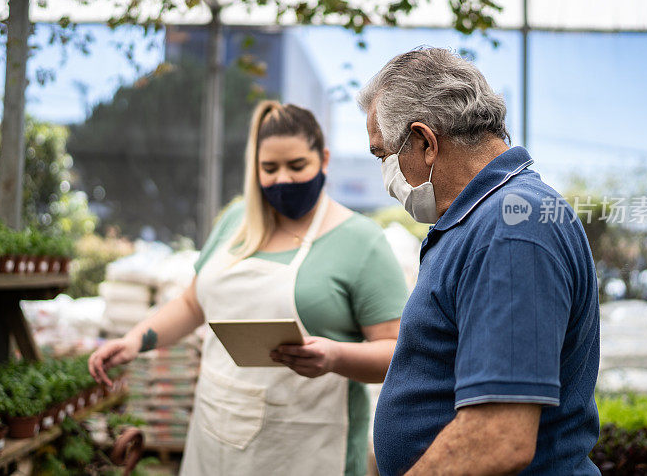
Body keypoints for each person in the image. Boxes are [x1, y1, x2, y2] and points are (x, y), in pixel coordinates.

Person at [88, 100, 408, 476]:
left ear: (323, 159)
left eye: (296, 166)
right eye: (269, 168)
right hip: (216, 434)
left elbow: (396, 352)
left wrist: (335, 358)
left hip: (305, 451)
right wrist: (135, 340)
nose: (283, 180)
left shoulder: (360, 241)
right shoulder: (236, 221)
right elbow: (193, 303)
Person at [360, 48, 600, 475]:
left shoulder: (511, 228)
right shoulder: (484, 218)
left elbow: (497, 437)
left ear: (424, 143)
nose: (387, 175)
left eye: (384, 155)